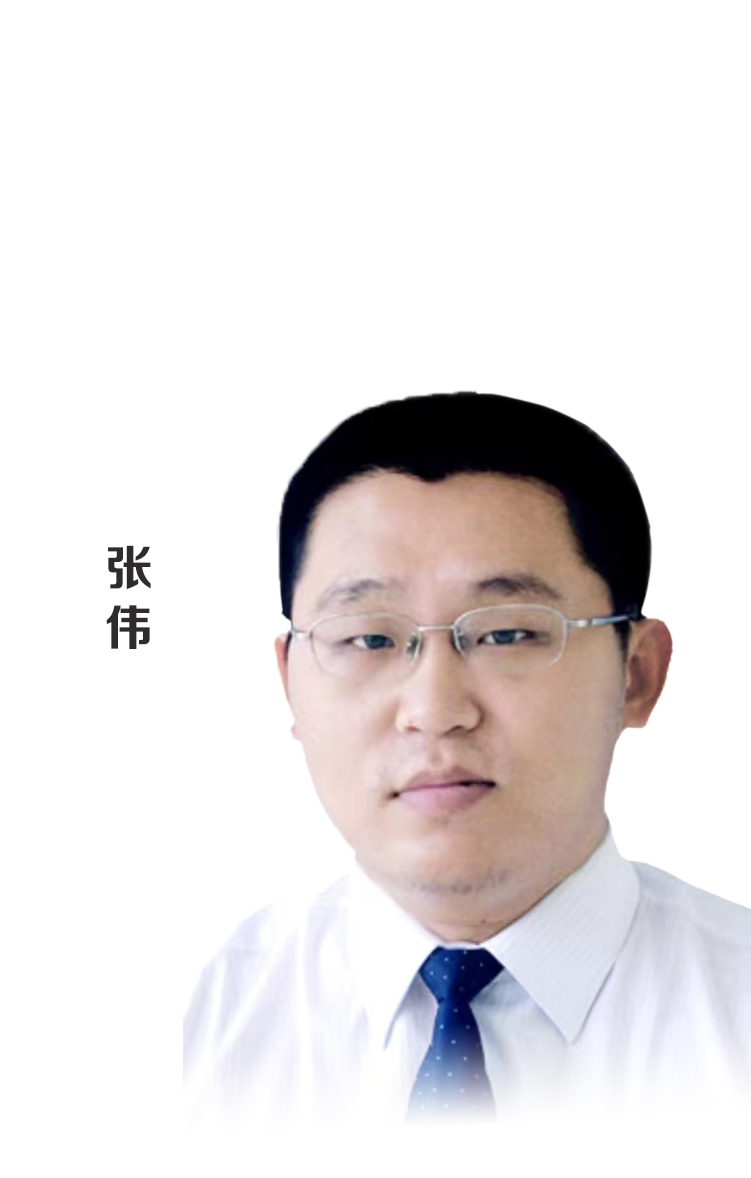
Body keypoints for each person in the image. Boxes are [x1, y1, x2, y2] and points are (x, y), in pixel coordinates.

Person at [184, 392, 750, 1131]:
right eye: (369, 639)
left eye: (507, 635)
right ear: (290, 681)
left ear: (636, 674)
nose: (434, 708)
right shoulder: (190, 1020)